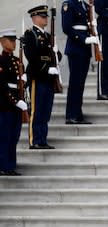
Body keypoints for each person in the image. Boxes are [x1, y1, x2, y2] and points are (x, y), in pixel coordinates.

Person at [24, 5, 59, 149]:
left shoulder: (48, 36)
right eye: (42, 16)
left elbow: (57, 57)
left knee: (46, 111)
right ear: (34, 18)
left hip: (49, 79)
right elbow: (31, 57)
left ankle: (42, 139)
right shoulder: (30, 34)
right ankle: (35, 140)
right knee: (36, 110)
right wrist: (46, 69)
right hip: (38, 78)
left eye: (46, 17)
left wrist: (56, 53)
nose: (45, 19)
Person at [62, 0, 98, 124]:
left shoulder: (84, 5)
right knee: (75, 84)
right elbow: (66, 28)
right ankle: (71, 115)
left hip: (84, 50)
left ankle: (77, 113)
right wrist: (84, 39)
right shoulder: (69, 4)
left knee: (80, 84)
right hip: (76, 48)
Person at [0, 28, 27, 176]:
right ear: (2, 42)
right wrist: (16, 101)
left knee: (14, 136)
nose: (13, 43)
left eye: (14, 40)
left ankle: (11, 165)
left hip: (17, 105)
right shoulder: (1, 61)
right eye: (10, 40)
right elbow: (2, 86)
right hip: (5, 105)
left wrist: (25, 80)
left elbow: (20, 85)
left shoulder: (17, 61)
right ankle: (3, 165)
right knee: (4, 136)